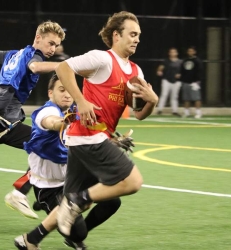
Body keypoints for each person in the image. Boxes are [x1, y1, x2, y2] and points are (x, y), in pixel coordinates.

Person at [55, 11, 159, 237]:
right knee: (129, 183)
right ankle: (66, 200)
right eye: (132, 34)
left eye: (138, 35)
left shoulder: (136, 71)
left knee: (75, 227)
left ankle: (31, 238)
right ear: (116, 35)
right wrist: (81, 101)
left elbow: (139, 114)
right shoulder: (101, 58)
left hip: (98, 139)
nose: (137, 39)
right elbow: (63, 68)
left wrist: (152, 102)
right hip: (87, 136)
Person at [14, 74, 122, 250]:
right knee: (78, 232)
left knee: (112, 200)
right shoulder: (47, 111)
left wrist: (112, 142)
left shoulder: (76, 113)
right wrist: (63, 122)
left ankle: (70, 229)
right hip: (49, 187)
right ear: (50, 93)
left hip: (72, 180)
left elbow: (89, 138)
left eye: (69, 90)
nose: (66, 94)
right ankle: (33, 237)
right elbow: (52, 122)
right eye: (61, 90)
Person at [1, 20, 66, 219]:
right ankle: (22, 193)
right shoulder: (33, 55)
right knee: (46, 143)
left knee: (43, 145)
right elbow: (36, 67)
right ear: (38, 38)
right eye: (50, 43)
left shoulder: (12, 55)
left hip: (7, 122)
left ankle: (30, 193)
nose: (53, 48)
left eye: (56, 45)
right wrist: (66, 66)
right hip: (4, 122)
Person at [156, 47, 182, 116]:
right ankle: (160, 110)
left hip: (176, 81)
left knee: (174, 96)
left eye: (174, 52)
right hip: (166, 80)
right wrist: (159, 71)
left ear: (177, 53)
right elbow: (160, 68)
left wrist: (180, 75)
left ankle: (175, 111)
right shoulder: (166, 61)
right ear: (169, 53)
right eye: (171, 52)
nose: (173, 53)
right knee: (164, 95)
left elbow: (183, 71)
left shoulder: (180, 62)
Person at [179, 46, 203, 118]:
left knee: (196, 98)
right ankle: (186, 113)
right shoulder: (185, 60)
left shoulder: (197, 61)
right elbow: (182, 71)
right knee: (186, 98)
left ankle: (198, 112)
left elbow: (200, 71)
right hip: (185, 82)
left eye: (191, 51)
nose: (190, 52)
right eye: (189, 51)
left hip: (194, 82)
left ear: (194, 52)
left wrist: (197, 81)